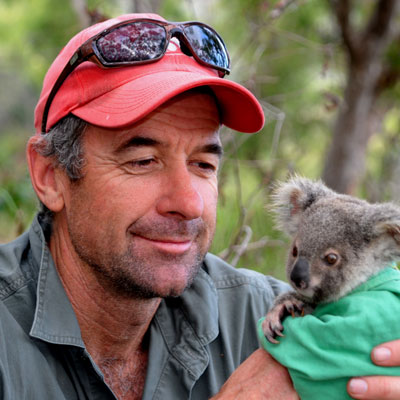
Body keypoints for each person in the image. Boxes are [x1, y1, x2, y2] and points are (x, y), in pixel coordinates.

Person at [1, 12, 399, 400]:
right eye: (142, 161)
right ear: (51, 177)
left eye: (203, 164)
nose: (188, 203)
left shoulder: (267, 313)